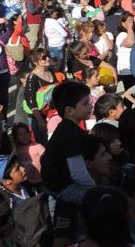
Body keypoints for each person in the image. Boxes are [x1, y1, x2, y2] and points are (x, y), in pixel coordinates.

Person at [39, 81, 94, 244]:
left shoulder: (68, 128)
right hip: (60, 186)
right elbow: (77, 171)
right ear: (70, 111)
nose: (90, 106)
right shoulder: (71, 134)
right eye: (85, 103)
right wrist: (93, 189)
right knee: (94, 199)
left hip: (56, 181)